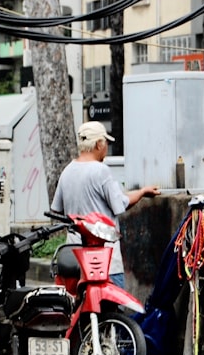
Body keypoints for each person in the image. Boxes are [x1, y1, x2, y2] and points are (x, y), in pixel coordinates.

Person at [51, 121, 160, 289]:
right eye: (106, 142)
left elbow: (56, 208)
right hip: (103, 260)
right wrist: (142, 192)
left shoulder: (68, 171)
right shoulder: (101, 171)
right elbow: (120, 205)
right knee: (112, 310)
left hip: (74, 256)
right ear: (98, 144)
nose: (107, 147)